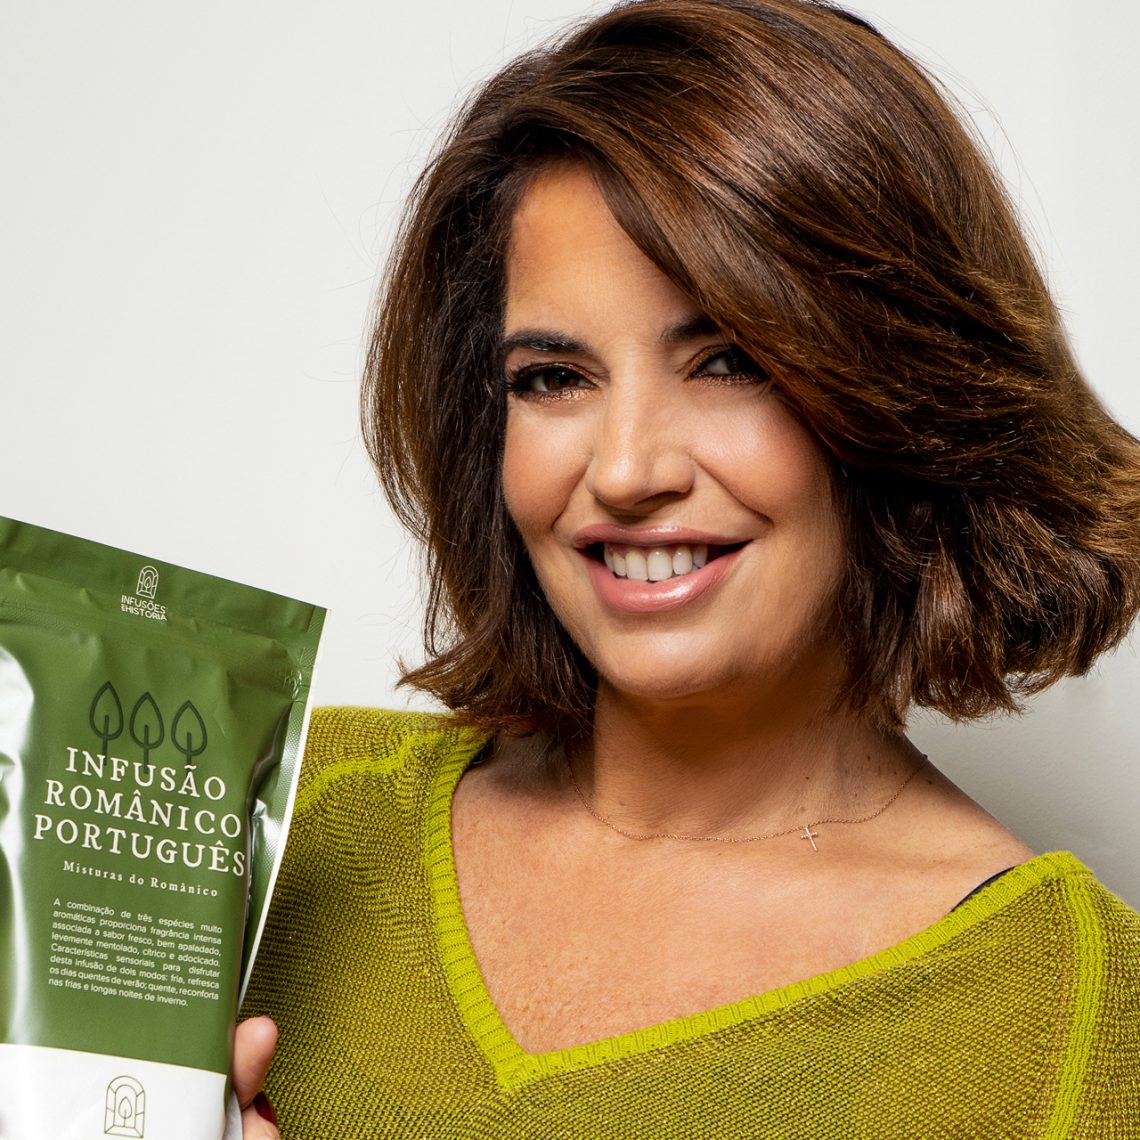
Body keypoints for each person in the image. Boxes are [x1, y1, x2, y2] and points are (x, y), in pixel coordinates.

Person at [235, 0, 1140, 1134]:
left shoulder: (1070, 1020)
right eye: (554, 378)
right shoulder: (274, 817)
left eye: (727, 361)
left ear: (901, 392)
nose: (625, 471)